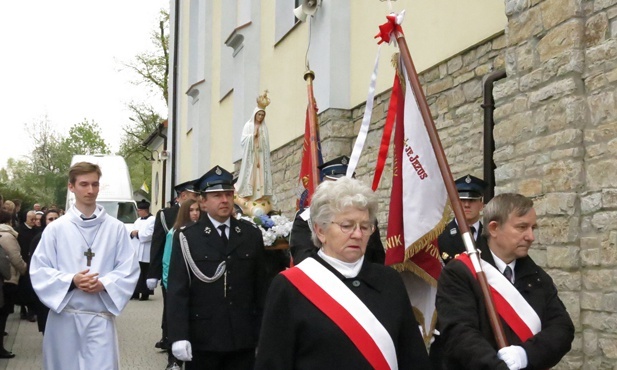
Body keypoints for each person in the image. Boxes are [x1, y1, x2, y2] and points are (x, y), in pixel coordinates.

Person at [255, 177, 430, 369]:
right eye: (347, 226)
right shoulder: (289, 287)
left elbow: (413, 357)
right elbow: (273, 363)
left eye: (365, 227)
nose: (358, 234)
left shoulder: (389, 281)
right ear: (320, 230)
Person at [436, 193, 574, 370]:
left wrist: (525, 355)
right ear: (494, 228)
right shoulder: (459, 273)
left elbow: (562, 328)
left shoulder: (537, 276)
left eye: (533, 228)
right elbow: (460, 335)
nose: (531, 236)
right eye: (522, 227)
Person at [30, 162, 140, 370]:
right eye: (84, 184)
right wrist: (72, 280)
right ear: (71, 187)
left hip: (99, 319)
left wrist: (104, 283)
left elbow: (129, 269)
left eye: (95, 184)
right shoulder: (56, 229)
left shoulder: (115, 229)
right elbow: (39, 270)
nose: (91, 190)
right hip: (64, 320)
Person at [167, 165, 268, 370]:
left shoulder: (250, 235)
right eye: (217, 195)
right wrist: (178, 335)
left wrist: (265, 334)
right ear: (203, 202)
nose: (224, 200)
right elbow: (178, 290)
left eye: (229, 194)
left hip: (243, 337)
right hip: (204, 337)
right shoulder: (188, 237)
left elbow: (261, 289)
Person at [289, 155, 385, 265]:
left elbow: (377, 256)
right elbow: (303, 259)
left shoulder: (365, 217)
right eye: (346, 226)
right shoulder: (306, 218)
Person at [147, 179, 199, 355]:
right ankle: (168, 337)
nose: (197, 199)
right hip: (171, 267)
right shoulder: (166, 214)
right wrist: (153, 273)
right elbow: (158, 243)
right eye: (194, 195)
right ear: (183, 196)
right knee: (171, 305)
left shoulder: (200, 213)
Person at [160, 199, 200, 370]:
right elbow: (167, 261)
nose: (195, 213)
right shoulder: (175, 233)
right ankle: (174, 360)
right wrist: (171, 286)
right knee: (175, 323)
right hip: (178, 286)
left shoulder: (202, 232)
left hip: (197, 288)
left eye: (197, 210)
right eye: (191, 210)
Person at [437, 174, 488, 265]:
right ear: (453, 205)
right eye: (462, 200)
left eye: (472, 200)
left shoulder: (490, 236)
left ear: (481, 205)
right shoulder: (441, 235)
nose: (467, 205)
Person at [0, 209, 28, 358]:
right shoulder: (7, 236)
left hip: (4, 279)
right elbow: (14, 257)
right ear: (10, 221)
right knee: (3, 313)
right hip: (8, 279)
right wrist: (24, 269)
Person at [236, 91, 273, 201]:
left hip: (261, 157)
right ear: (255, 114)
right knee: (252, 176)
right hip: (251, 157)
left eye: (262, 115)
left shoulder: (264, 128)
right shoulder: (248, 125)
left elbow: (266, 144)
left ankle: (260, 196)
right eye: (259, 114)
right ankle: (250, 195)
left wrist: (261, 141)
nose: (260, 117)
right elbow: (243, 141)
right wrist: (253, 136)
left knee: (261, 177)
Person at [29, 209, 60, 334]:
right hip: (46, 284)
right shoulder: (39, 238)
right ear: (44, 221)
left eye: (56, 219)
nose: (53, 222)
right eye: (50, 219)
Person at [131, 199, 155, 301]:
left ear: (144, 210)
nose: (138, 212)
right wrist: (133, 233)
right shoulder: (137, 220)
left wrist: (138, 233)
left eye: (139, 210)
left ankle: (145, 293)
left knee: (145, 272)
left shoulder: (153, 220)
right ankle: (135, 292)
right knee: (136, 272)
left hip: (146, 251)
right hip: (137, 249)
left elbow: (150, 234)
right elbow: (132, 230)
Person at [17, 210, 38, 322]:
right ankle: (23, 310)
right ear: (26, 218)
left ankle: (31, 311)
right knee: (23, 288)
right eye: (32, 219)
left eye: (35, 219)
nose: (34, 222)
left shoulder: (36, 231)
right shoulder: (19, 230)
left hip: (32, 262)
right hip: (24, 262)